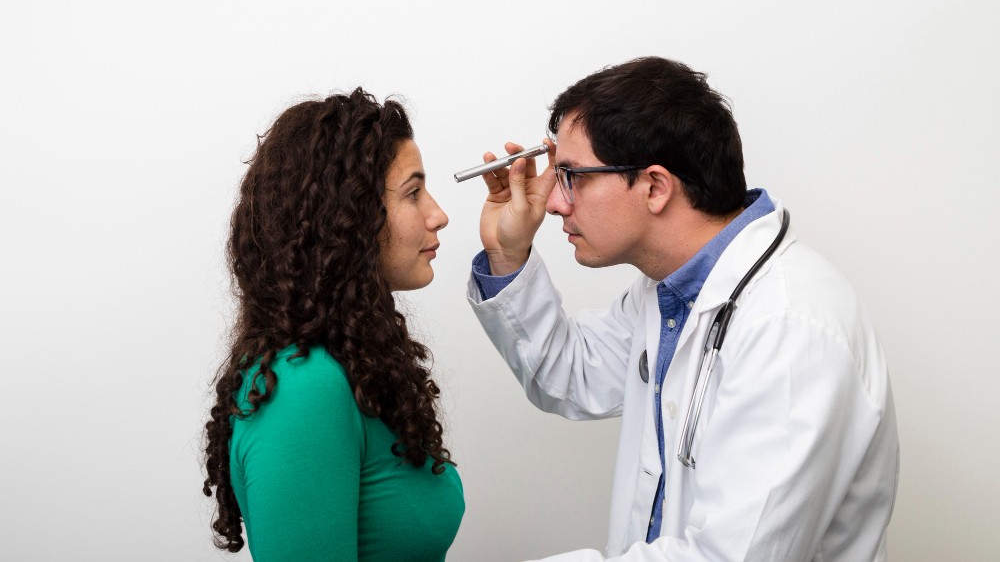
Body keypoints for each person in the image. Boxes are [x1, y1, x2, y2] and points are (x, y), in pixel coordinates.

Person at [466, 57, 898, 561]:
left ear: (655, 186)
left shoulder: (790, 325)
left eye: (572, 176)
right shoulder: (669, 291)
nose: (555, 203)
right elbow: (570, 374)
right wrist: (507, 252)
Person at [203, 88, 464, 561]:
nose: (438, 215)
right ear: (346, 216)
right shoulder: (304, 388)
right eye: (413, 193)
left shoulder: (356, 363)